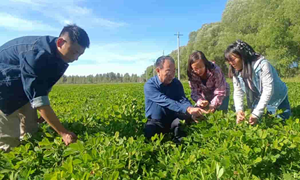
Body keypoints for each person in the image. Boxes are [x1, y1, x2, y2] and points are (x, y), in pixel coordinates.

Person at [0, 24, 90, 151]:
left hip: (22, 84)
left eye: (79, 54)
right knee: (9, 142)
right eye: (74, 52)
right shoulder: (36, 53)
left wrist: (44, 109)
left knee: (31, 132)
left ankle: (29, 154)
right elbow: (38, 98)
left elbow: (43, 83)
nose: (76, 58)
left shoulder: (59, 56)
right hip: (3, 86)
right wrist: (63, 133)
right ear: (60, 42)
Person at [224, 40, 291, 125]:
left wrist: (256, 113)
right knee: (261, 124)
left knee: (283, 123)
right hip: (258, 98)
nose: (231, 63)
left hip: (277, 97)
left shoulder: (262, 65)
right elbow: (238, 92)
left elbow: (268, 90)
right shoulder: (236, 71)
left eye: (233, 59)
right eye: (228, 61)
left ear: (243, 56)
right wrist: (239, 110)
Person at [144, 56, 203, 143]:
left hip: (172, 118)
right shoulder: (150, 85)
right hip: (156, 122)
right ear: (158, 71)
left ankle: (180, 144)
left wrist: (191, 110)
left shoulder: (176, 83)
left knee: (184, 121)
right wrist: (188, 109)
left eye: (174, 71)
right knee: (149, 130)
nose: (172, 75)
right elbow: (165, 101)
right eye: (168, 71)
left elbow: (182, 99)